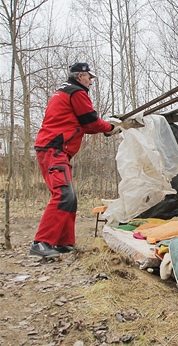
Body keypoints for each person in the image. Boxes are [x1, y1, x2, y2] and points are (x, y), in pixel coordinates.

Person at [30, 62, 123, 258]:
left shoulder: (64, 92)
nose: (91, 81)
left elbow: (83, 124)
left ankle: (64, 243)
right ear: (80, 76)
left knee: (69, 197)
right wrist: (111, 128)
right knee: (63, 194)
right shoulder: (77, 92)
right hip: (54, 149)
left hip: (52, 148)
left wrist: (106, 127)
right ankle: (41, 243)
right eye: (89, 77)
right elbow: (90, 120)